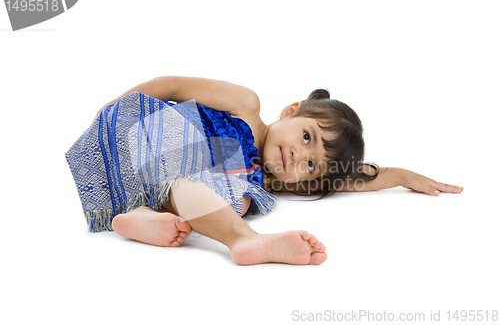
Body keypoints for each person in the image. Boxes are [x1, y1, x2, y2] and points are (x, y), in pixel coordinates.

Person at [66, 76, 463, 266]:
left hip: (141, 186)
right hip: (137, 132)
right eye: (306, 137)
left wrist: (402, 175)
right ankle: (244, 240)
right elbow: (170, 87)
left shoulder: (260, 177)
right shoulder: (244, 107)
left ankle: (143, 216)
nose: (298, 157)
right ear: (291, 111)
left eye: (310, 167)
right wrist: (110, 111)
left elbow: (348, 177)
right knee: (202, 171)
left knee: (236, 195)